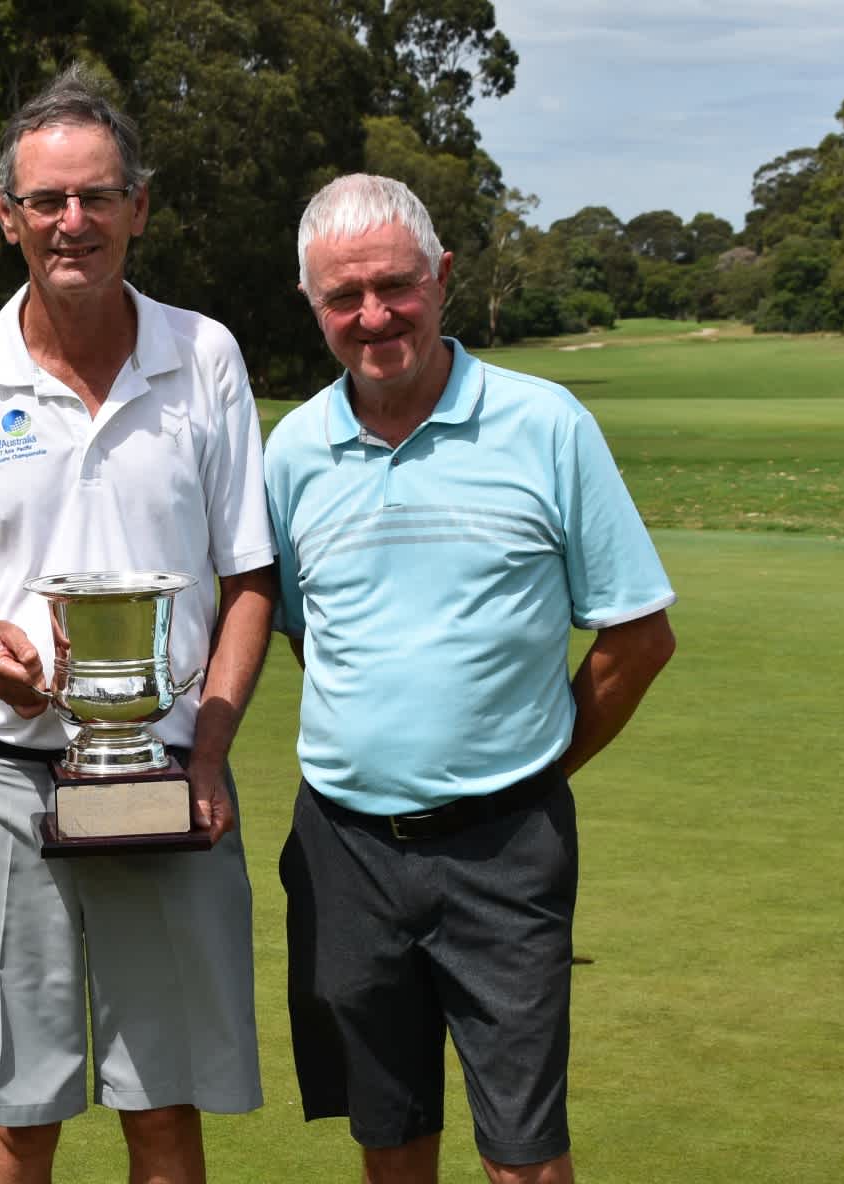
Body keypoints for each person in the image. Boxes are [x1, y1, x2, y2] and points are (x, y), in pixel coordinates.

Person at [0, 67, 276, 1184]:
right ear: (7, 217)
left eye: (96, 197)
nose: (71, 222)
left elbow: (248, 576)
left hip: (168, 775)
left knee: (163, 1104)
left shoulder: (204, 357)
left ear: (138, 207)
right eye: (46, 201)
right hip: (1, 784)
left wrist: (207, 752)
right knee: (22, 1111)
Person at [268, 174, 678, 1184]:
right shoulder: (290, 451)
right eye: (341, 297)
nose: (372, 316)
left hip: (505, 851)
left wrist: (529, 765)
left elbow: (638, 636)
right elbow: (306, 635)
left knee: (525, 1157)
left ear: (441, 275)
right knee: (389, 1140)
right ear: (312, 306)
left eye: (394, 285)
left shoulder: (545, 424)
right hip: (343, 851)